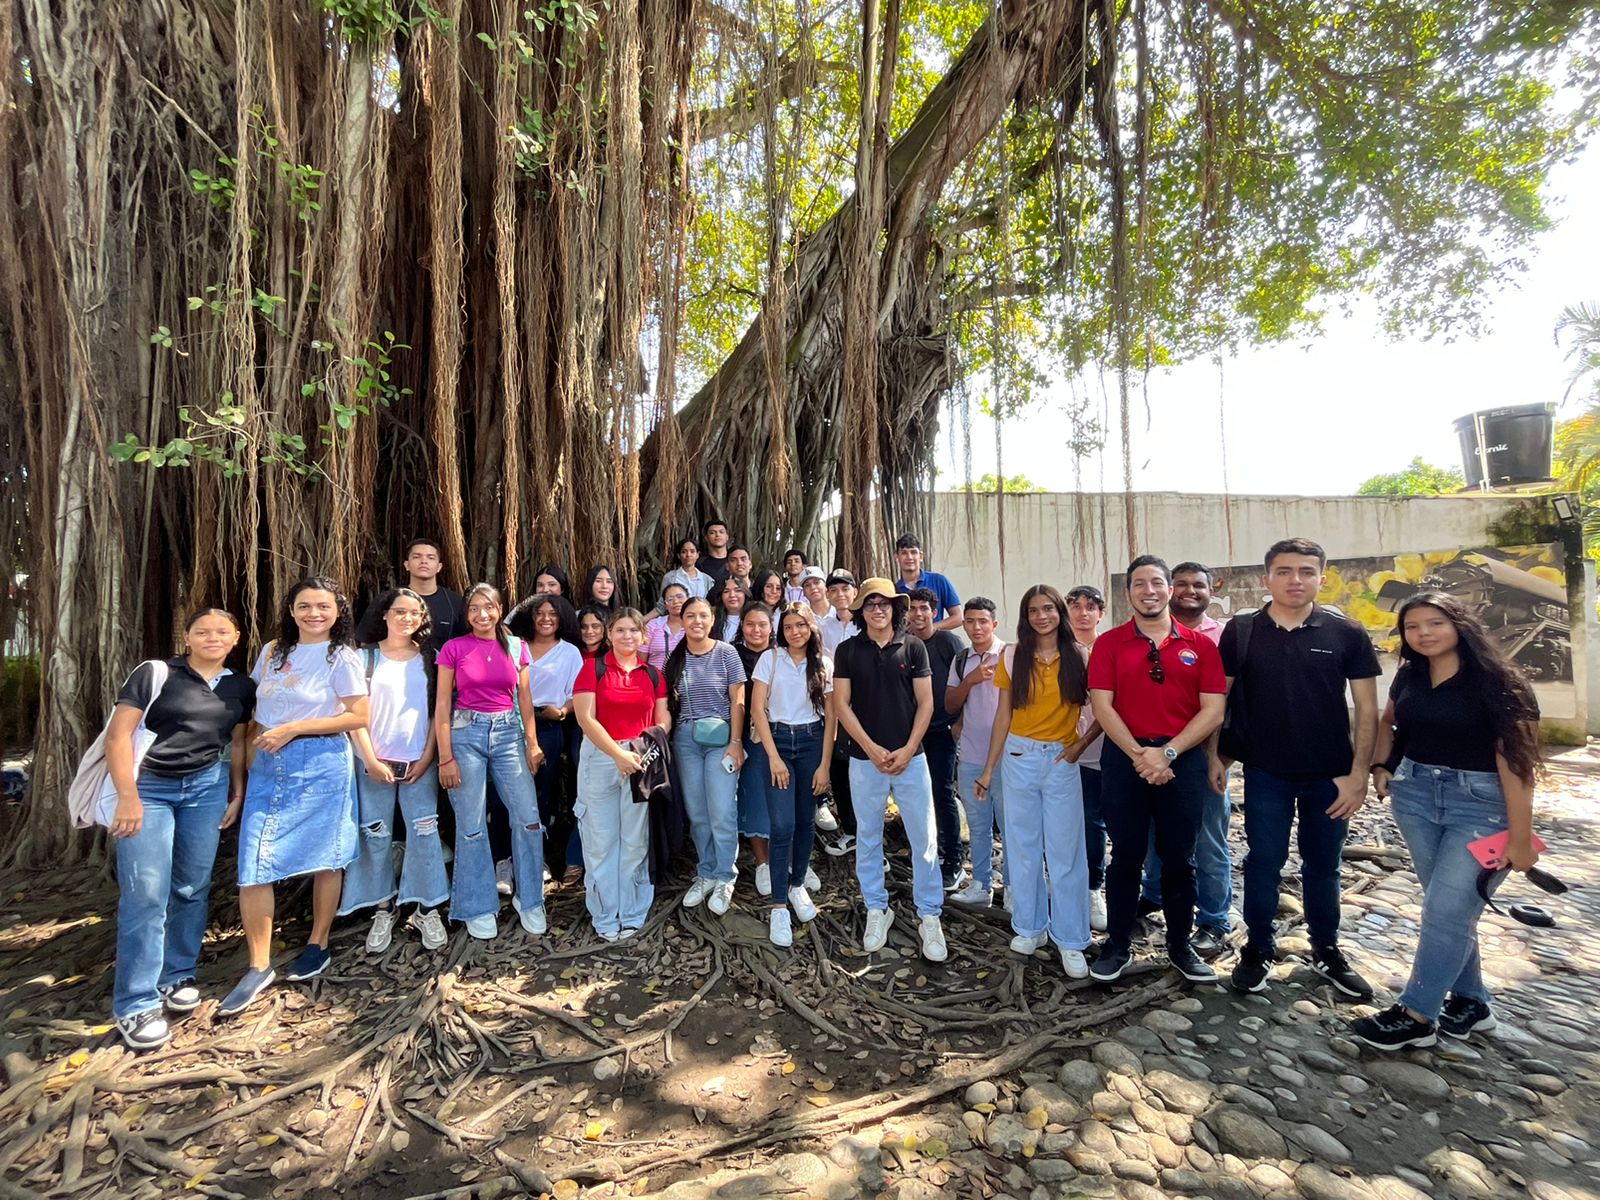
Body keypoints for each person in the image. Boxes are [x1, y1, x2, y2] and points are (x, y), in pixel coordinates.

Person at [1351, 592, 1541, 1050]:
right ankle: (1472, 1001)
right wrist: (1382, 766)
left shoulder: (1500, 683)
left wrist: (1521, 837)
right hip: (1415, 796)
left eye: (1433, 623)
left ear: (1459, 625)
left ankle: (1417, 1013)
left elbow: (1517, 764)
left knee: (1444, 910)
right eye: (1412, 627)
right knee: (1447, 907)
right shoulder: (1411, 676)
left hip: (1480, 805)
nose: (1423, 634)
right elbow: (1388, 722)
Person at [1216, 538, 1380, 999]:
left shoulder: (1346, 632)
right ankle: (1258, 948)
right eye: (1285, 571)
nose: (1295, 580)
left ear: (1321, 578)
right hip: (1266, 772)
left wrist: (1358, 776)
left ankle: (1326, 949)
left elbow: (1367, 710)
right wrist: (1216, 757)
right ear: (1267, 578)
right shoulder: (1243, 630)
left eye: (1306, 571)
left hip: (1330, 776)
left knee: (1323, 866)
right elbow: (1219, 700)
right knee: (1263, 862)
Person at [105, 609, 256, 1049]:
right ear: (186, 636)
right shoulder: (156, 673)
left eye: (222, 632)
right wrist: (128, 796)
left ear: (236, 638)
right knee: (146, 895)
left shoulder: (240, 686)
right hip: (148, 789)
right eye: (202, 631)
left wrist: (237, 792)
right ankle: (135, 1003)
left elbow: (239, 741)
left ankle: (177, 974)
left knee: (192, 886)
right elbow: (119, 737)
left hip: (206, 789)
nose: (212, 637)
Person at [220, 578, 369, 1017]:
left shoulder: (342, 656)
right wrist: (240, 784)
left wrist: (295, 728)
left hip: (320, 760)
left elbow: (358, 715)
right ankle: (258, 964)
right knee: (254, 861)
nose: (314, 614)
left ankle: (318, 942)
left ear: (337, 611)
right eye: (304, 606)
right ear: (291, 609)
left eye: (323, 606)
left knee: (327, 855)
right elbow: (250, 718)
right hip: (266, 761)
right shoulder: (271, 652)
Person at [1086, 556, 1226, 985]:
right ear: (1128, 593)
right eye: (1139, 583)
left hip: (1181, 761)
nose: (1149, 590)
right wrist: (1139, 755)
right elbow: (1102, 705)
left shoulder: (1200, 646)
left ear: (1169, 589)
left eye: (1156, 582)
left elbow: (1214, 709)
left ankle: (1180, 945)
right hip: (1125, 760)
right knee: (1125, 855)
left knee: (1179, 859)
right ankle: (1118, 945)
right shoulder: (1109, 644)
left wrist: (1166, 754)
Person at [975, 586, 1092, 977]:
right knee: (1022, 848)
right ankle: (1029, 926)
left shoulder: (1081, 656)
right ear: (1025, 616)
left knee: (1066, 852)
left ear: (1060, 612)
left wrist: (1079, 747)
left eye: (1048, 609)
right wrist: (989, 768)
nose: (1042, 616)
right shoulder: (1012, 655)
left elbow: (1105, 709)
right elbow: (1003, 717)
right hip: (1019, 757)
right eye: (1033, 610)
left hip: (1061, 758)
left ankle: (1072, 938)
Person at [832, 578, 947, 961]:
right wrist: (870, 747)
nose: (877, 610)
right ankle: (876, 907)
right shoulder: (847, 651)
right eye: (870, 604)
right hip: (866, 763)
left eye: (884, 604)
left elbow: (926, 703)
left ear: (894, 608)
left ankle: (929, 914)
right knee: (868, 837)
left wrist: (909, 747)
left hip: (911, 761)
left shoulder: (913, 648)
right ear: (861, 610)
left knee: (924, 839)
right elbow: (842, 705)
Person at [433, 584, 548, 941]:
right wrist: (445, 756)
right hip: (465, 733)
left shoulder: (516, 647)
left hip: (508, 734)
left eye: (489, 607)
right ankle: (477, 903)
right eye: (474, 609)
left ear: (499, 609)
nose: (482, 615)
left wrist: (532, 744)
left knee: (528, 818)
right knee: (470, 823)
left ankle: (530, 898)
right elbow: (441, 707)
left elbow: (525, 700)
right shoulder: (454, 649)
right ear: (466, 614)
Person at [342, 590, 450, 955]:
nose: (407, 618)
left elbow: (439, 712)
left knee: (424, 833)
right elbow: (354, 715)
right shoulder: (363, 657)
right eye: (399, 612)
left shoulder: (431, 660)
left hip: (419, 760)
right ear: (384, 614)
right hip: (373, 762)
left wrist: (428, 756)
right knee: (375, 835)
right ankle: (382, 907)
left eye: (414, 613)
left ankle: (426, 906)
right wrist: (369, 759)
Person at [1137, 562, 1233, 956]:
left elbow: (1227, 706)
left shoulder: (1224, 638)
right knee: (1153, 834)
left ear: (1213, 591)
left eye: (1199, 585)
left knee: (1208, 838)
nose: (1190, 591)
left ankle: (1213, 918)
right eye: (1182, 584)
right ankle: (1156, 893)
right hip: (1150, 754)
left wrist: (1219, 759)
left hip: (1204, 757)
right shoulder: (1146, 633)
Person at [572, 607, 671, 941]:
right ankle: (604, 913)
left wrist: (648, 744)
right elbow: (586, 719)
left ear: (643, 636)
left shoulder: (653, 674)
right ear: (609, 633)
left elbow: (663, 717)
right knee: (600, 840)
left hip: (640, 757)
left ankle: (631, 910)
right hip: (601, 757)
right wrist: (617, 754)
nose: (627, 637)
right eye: (620, 630)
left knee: (634, 839)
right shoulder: (592, 669)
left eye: (633, 631)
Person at [750, 603, 836, 946]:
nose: (794, 632)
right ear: (780, 631)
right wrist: (773, 757)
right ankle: (778, 906)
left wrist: (825, 765)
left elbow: (832, 717)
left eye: (801, 625)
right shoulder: (769, 659)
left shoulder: (824, 664)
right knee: (782, 824)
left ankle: (797, 884)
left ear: (810, 628)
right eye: (788, 627)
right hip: (779, 742)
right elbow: (757, 708)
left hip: (813, 742)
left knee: (805, 821)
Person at [666, 596, 749, 914]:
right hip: (686, 740)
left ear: (712, 620)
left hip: (722, 739)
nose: (696, 621)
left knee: (722, 811)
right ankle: (706, 871)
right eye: (690, 616)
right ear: (682, 620)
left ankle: (726, 875)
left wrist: (737, 742)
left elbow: (738, 700)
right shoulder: (675, 660)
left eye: (702, 615)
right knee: (698, 813)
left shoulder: (727, 653)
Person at [517, 595, 585, 880]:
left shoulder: (569, 652)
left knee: (542, 793)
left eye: (552, 613)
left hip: (548, 727)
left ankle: (539, 858)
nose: (546, 618)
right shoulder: (516, 647)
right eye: (539, 613)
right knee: (510, 795)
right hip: (512, 726)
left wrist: (560, 713)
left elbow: (576, 695)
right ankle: (509, 858)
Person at [946, 597, 1007, 907]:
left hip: (1009, 758)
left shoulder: (1011, 655)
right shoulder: (961, 660)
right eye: (970, 621)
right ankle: (981, 884)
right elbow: (950, 705)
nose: (976, 627)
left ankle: (1013, 887)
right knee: (979, 824)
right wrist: (970, 680)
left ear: (994, 624)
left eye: (983, 621)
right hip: (970, 756)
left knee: (1011, 827)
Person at [906, 587, 968, 892]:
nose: (918, 614)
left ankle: (954, 860)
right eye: (913, 608)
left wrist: (960, 721)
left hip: (943, 729)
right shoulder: (903, 643)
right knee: (917, 795)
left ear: (935, 612)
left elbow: (965, 685)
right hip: (911, 733)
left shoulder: (948, 642)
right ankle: (926, 854)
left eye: (924, 609)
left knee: (943, 792)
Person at [1066, 585, 1109, 932]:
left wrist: (1084, 743)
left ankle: (1095, 886)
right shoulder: (1059, 651)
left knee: (1095, 822)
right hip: (1062, 753)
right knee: (1064, 824)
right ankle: (1066, 884)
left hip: (1103, 751)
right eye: (1076, 606)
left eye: (1090, 606)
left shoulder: (1112, 649)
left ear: (1100, 613)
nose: (1083, 612)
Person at [733, 601, 774, 895]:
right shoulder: (732, 655)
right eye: (750, 624)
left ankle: (791, 860)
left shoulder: (782, 654)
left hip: (785, 734)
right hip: (749, 736)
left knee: (786, 798)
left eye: (762, 624)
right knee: (756, 798)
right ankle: (762, 863)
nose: (756, 630)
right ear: (742, 626)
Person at [400, 539, 468, 651]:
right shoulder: (391, 599)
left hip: (444, 667)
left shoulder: (455, 602)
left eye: (430, 557)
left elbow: (466, 643)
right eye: (417, 557)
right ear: (407, 565)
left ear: (439, 567)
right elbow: (369, 643)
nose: (423, 561)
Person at [892, 532, 962, 631]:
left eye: (913, 552)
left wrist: (931, 628)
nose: (909, 557)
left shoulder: (939, 581)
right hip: (908, 644)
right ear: (896, 557)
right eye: (904, 553)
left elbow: (959, 617)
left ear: (921, 556)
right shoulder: (894, 590)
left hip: (936, 642)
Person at [645, 582, 689, 671]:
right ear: (665, 605)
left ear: (688, 599)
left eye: (679, 597)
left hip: (688, 681)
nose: (675, 601)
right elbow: (641, 659)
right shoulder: (653, 625)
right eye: (670, 599)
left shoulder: (695, 625)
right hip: (657, 680)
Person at [819, 570, 858, 656]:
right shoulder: (823, 628)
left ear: (855, 592)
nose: (840, 594)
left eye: (845, 589)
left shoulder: (866, 624)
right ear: (827, 595)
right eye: (833, 590)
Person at [710, 576, 750, 642]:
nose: (732, 595)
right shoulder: (712, 619)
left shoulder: (754, 617)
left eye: (737, 590)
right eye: (726, 591)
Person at [701, 519, 733, 587]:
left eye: (721, 532)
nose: (717, 535)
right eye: (712, 533)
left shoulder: (735, 560)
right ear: (706, 538)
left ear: (727, 537)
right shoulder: (699, 563)